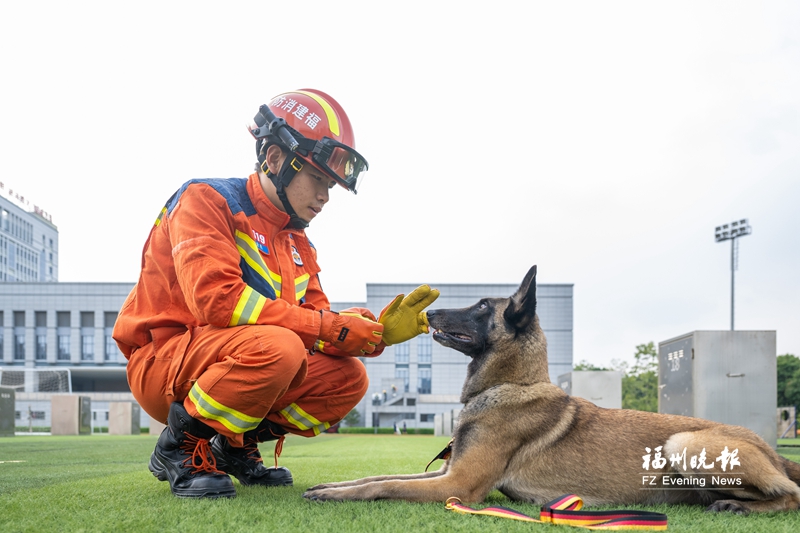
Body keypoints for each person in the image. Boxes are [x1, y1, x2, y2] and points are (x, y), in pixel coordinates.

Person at [113, 88, 439, 499]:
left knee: (348, 378)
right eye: (318, 179)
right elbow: (217, 301)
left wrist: (372, 332)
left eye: (332, 185)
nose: (324, 196)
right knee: (282, 347)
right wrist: (327, 327)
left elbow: (319, 326)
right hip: (163, 361)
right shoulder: (206, 200)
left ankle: (232, 444)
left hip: (232, 360)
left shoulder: (299, 244)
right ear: (275, 160)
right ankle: (179, 447)